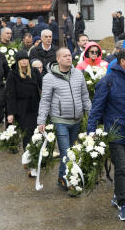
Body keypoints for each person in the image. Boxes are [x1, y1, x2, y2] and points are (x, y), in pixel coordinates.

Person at [87, 46, 125, 221]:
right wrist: (91, 131)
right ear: (122, 61)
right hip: (115, 134)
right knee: (121, 168)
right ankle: (123, 205)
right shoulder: (108, 81)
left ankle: (117, 195)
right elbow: (96, 109)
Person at [37, 47, 91, 188]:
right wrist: (41, 120)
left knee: (72, 152)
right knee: (66, 152)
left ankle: (61, 178)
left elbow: (85, 96)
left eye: (69, 55)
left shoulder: (78, 74)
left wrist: (91, 115)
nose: (69, 57)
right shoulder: (49, 78)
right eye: (65, 56)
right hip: (60, 120)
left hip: (77, 120)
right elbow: (45, 100)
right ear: (58, 59)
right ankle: (69, 181)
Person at [6, 51, 43, 152]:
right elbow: (10, 95)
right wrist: (10, 113)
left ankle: (38, 157)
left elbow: (43, 86)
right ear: (18, 61)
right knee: (27, 134)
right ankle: (28, 157)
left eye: (26, 59)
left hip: (35, 106)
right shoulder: (13, 74)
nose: (24, 61)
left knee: (37, 133)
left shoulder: (35, 72)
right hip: (22, 108)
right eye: (21, 59)